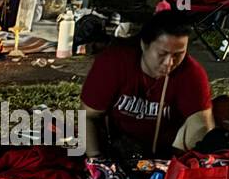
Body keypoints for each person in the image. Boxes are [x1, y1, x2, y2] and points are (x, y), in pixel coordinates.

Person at [82, 11, 213, 161]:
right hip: (115, 151)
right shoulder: (113, 63)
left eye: (178, 54)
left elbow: (201, 126)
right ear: (144, 44)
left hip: (167, 155)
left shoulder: (191, 73)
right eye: (162, 54)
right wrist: (96, 160)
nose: (169, 63)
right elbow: (87, 116)